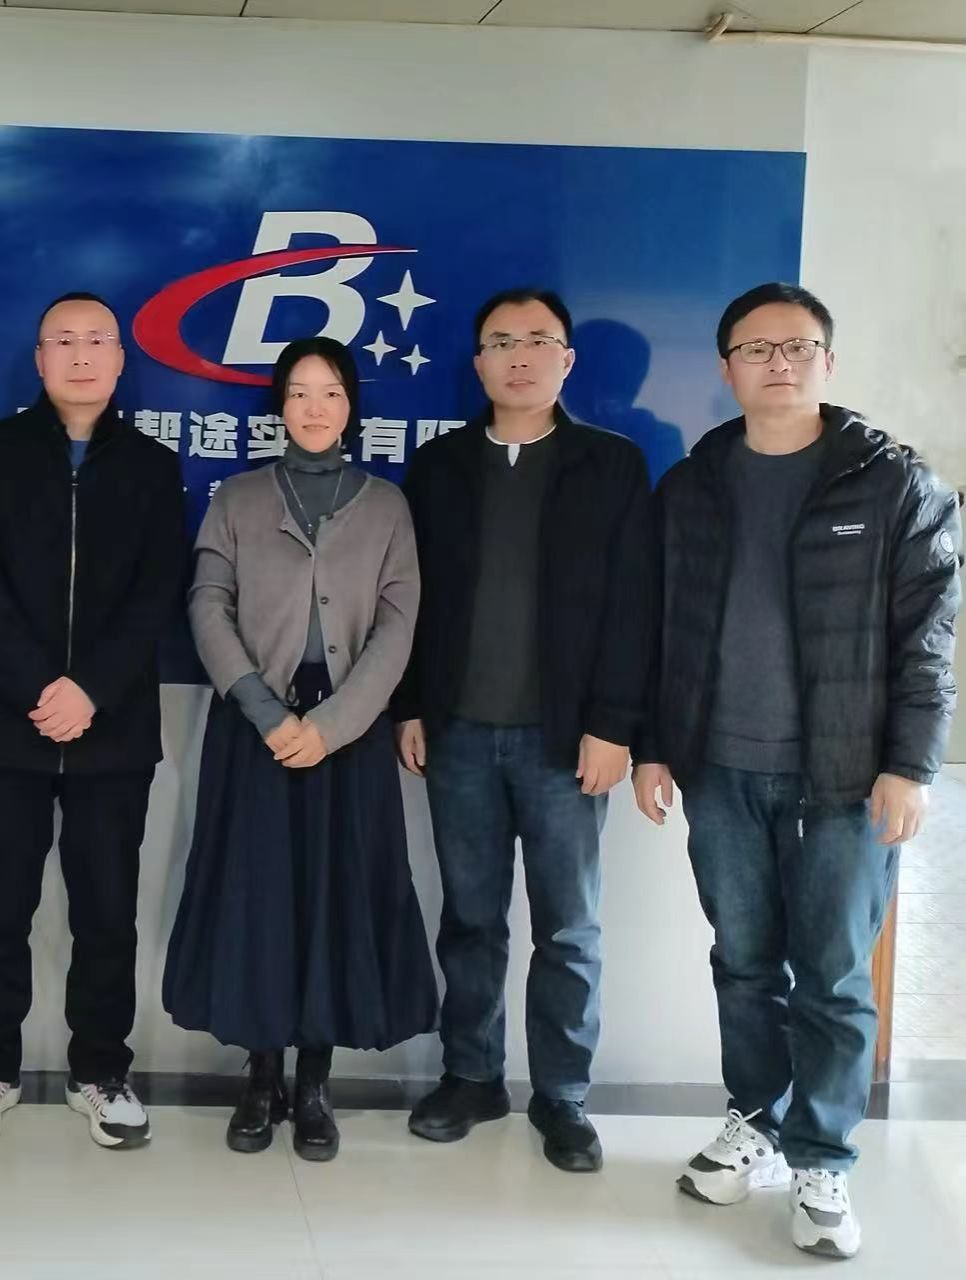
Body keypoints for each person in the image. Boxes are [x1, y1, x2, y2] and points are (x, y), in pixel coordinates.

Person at [634, 282, 961, 1259]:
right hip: (720, 770)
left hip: (844, 778)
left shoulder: (892, 483)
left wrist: (909, 764)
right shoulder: (691, 485)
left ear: (827, 360)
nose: (777, 363)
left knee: (831, 974)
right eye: (757, 348)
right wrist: (654, 744)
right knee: (742, 962)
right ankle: (756, 1123)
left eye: (797, 346)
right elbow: (659, 629)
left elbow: (929, 638)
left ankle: (823, 1158)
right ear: (726, 367)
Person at [394, 287, 654, 1173]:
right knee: (470, 918)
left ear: (566, 360)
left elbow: (633, 606)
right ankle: (471, 1077)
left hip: (565, 741)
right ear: (478, 363)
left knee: (568, 929)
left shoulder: (610, 465)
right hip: (459, 734)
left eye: (538, 340)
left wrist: (614, 725)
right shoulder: (439, 467)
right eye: (500, 341)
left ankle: (563, 1095)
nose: (519, 356)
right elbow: (410, 601)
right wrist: (410, 706)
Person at [163, 336, 437, 1162]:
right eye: (299, 392)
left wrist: (334, 725)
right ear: (279, 405)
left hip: (346, 737)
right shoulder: (239, 497)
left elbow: (399, 625)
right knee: (257, 898)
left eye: (331, 392)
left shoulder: (387, 506)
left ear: (351, 406)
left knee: (333, 900)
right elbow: (207, 602)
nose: (315, 408)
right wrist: (261, 708)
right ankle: (260, 1078)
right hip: (255, 731)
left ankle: (314, 1083)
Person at [0, 292, 185, 1150]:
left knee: (106, 911)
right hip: (6, 725)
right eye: (63, 341)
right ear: (39, 359)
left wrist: (91, 690)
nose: (81, 356)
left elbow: (158, 593)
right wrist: (39, 688)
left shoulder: (152, 466)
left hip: (113, 730)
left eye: (97, 342)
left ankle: (101, 1073)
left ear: (120, 360)